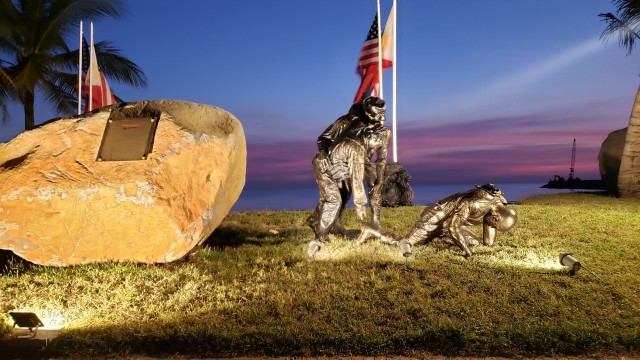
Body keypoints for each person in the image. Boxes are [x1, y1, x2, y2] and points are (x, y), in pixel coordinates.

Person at [306, 96, 391, 257]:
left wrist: (378, 179)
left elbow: (379, 158)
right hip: (332, 163)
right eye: (376, 115)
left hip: (354, 164)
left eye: (383, 114)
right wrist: (323, 154)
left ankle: (328, 223)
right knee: (335, 198)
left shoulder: (380, 131)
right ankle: (321, 230)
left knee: (343, 195)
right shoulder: (345, 122)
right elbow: (322, 139)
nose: (382, 119)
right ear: (367, 112)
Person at [357, 184, 518, 257]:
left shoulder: (498, 201)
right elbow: (454, 228)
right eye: (494, 224)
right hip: (436, 217)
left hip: (449, 221)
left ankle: (436, 237)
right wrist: (467, 252)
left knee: (473, 242)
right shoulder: (473, 204)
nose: (491, 227)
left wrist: (488, 245)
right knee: (407, 243)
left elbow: (489, 223)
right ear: (496, 217)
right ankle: (371, 230)